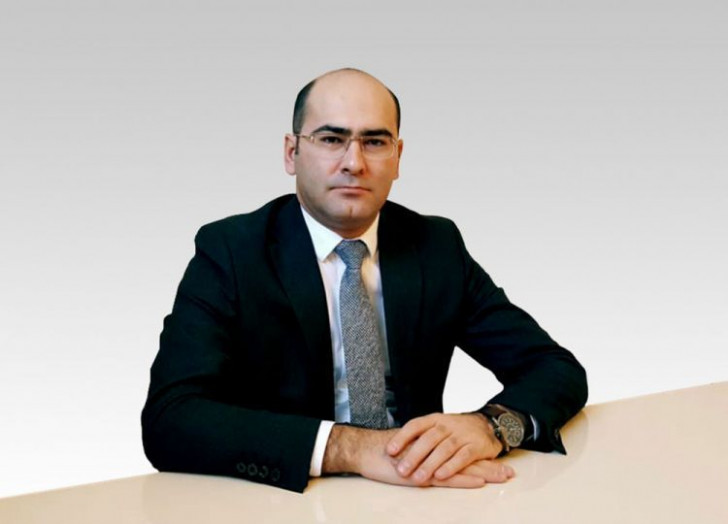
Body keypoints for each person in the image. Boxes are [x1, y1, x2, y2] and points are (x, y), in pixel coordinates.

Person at [141, 68, 588, 493]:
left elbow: (554, 368)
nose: (354, 162)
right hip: (290, 496)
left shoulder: (435, 246)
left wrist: (491, 427)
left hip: (421, 492)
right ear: (291, 153)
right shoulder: (232, 252)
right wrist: (352, 449)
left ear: (398, 157)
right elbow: (170, 419)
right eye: (331, 139)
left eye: (374, 141)